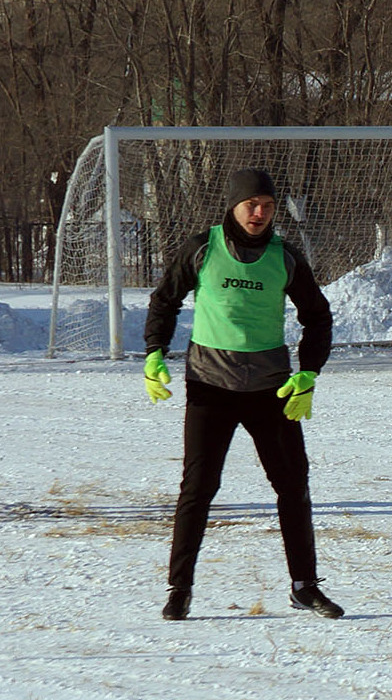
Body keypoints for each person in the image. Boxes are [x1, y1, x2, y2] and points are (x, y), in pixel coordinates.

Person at [143, 167, 343, 622]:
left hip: (270, 388)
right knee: (198, 488)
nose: (259, 212)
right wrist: (154, 351)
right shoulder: (202, 248)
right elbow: (164, 299)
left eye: (268, 206)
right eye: (252, 204)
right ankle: (180, 590)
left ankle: (304, 587)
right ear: (234, 205)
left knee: (292, 486)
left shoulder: (285, 257)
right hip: (210, 386)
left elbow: (318, 316)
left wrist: (309, 372)